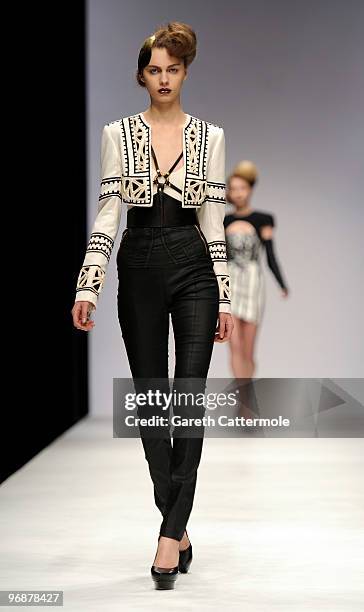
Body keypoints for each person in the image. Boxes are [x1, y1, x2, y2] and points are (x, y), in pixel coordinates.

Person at [71, 21, 233, 590]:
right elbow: (107, 211)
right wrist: (88, 283)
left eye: (173, 69)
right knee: (150, 399)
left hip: (193, 264)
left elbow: (215, 218)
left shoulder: (210, 137)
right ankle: (179, 521)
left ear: (185, 71)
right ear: (142, 75)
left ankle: (168, 537)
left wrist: (226, 293)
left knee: (186, 398)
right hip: (136, 262)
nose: (164, 79)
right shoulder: (118, 132)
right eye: (154, 70)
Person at [224, 160, 289, 381]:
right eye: (233, 189)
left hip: (253, 283)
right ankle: (241, 397)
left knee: (249, 349)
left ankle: (246, 400)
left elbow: (270, 254)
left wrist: (281, 283)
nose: (238, 193)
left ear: (250, 189)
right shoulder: (222, 221)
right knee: (234, 346)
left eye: (242, 188)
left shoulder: (263, 219)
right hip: (229, 283)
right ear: (228, 193)